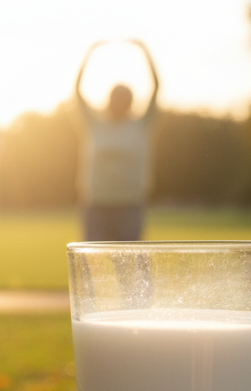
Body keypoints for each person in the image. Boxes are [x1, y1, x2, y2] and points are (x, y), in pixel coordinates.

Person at [74, 40, 159, 242]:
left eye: (124, 98)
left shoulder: (141, 124)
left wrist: (145, 50)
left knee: (131, 267)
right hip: (96, 204)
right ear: (109, 99)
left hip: (130, 205)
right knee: (91, 266)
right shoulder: (95, 124)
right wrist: (89, 52)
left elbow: (157, 87)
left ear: (130, 102)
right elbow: (77, 91)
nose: (118, 102)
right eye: (115, 97)